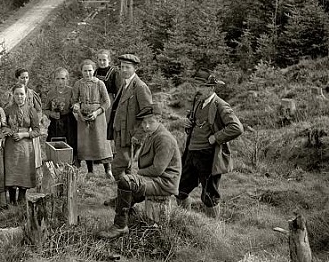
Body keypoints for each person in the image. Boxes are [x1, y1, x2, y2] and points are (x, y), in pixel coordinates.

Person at [97, 103, 182, 239]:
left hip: (164, 182)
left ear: (160, 121)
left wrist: (137, 175)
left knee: (126, 181)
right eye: (144, 122)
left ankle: (120, 226)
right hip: (157, 179)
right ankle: (128, 212)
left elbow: (157, 170)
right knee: (128, 184)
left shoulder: (164, 138)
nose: (146, 126)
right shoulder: (153, 134)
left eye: (151, 122)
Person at [175, 69, 243, 219]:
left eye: (202, 86)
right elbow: (196, 122)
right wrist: (189, 124)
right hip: (191, 152)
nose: (198, 89)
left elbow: (237, 128)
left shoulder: (220, 105)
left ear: (211, 88)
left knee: (209, 195)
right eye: (197, 86)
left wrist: (216, 137)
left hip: (209, 156)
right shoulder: (198, 101)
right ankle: (184, 221)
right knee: (180, 189)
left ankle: (213, 231)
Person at [107, 53, 153, 204]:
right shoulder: (125, 84)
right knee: (127, 170)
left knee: (117, 168)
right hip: (120, 134)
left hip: (131, 137)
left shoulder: (140, 87)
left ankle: (135, 195)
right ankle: (124, 199)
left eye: (128, 67)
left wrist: (138, 136)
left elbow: (148, 117)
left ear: (135, 68)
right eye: (122, 67)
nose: (124, 70)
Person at [71, 60, 113, 178]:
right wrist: (77, 108)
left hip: (98, 116)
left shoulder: (99, 83)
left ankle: (108, 170)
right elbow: (74, 100)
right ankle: (90, 171)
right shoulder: (78, 84)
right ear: (81, 71)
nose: (88, 73)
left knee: (102, 142)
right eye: (85, 71)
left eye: (90, 70)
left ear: (94, 71)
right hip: (83, 117)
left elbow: (106, 102)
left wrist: (97, 112)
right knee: (87, 143)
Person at [4, 83, 43, 204]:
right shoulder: (7, 110)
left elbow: (37, 131)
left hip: (26, 144)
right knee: (11, 169)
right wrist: (9, 131)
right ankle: (11, 199)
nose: (19, 96)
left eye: (22, 94)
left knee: (24, 169)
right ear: (12, 95)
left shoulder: (31, 110)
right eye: (16, 94)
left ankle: (21, 198)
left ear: (26, 95)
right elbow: (2, 126)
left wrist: (23, 134)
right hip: (11, 145)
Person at [43, 68, 77, 162]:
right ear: (54, 80)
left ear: (67, 79)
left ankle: (71, 161)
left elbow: (76, 103)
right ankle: (55, 160)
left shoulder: (71, 91)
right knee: (54, 141)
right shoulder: (51, 93)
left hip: (69, 121)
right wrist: (51, 114)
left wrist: (75, 107)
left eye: (63, 78)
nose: (60, 81)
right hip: (55, 122)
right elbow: (45, 109)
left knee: (71, 141)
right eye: (57, 79)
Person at [95, 50, 122, 116]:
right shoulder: (95, 71)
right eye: (100, 60)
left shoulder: (114, 72)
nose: (102, 62)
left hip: (109, 100)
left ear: (109, 60)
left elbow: (118, 91)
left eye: (104, 60)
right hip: (96, 99)